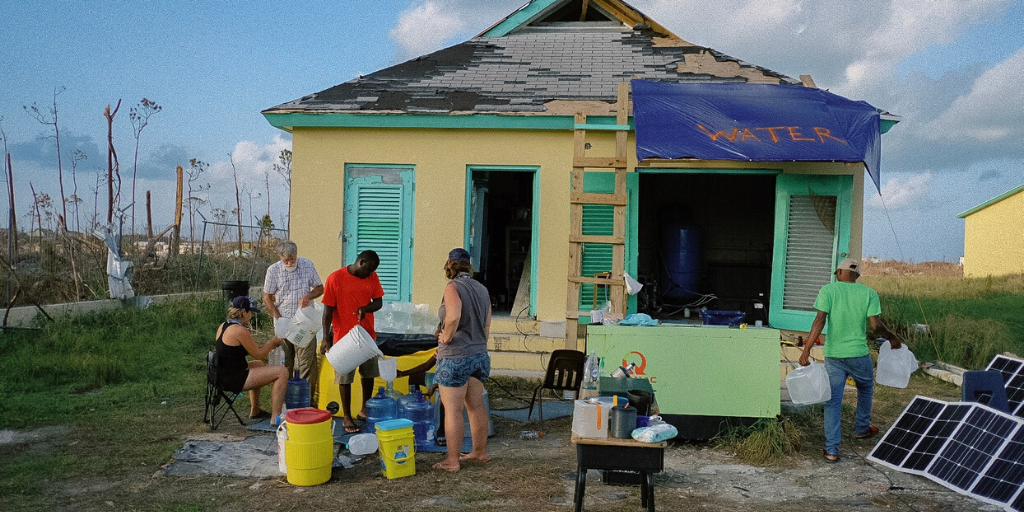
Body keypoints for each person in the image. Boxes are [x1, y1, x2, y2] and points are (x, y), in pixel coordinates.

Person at [799, 258, 901, 463]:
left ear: (839, 273)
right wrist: (891, 336)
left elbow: (819, 320)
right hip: (858, 354)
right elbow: (875, 325)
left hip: (834, 355)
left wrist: (806, 349)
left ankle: (831, 451)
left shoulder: (828, 291)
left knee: (833, 400)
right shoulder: (868, 293)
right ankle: (862, 428)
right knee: (865, 387)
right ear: (856, 275)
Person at [433, 248, 492, 472]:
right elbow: (487, 326)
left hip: (455, 356)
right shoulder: (482, 289)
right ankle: (480, 452)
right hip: (479, 354)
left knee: (453, 410)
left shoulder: (453, 287)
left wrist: (446, 338)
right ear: (469, 266)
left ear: (449, 264)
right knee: (476, 406)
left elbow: (454, 315)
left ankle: (452, 460)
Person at [320, 250, 384, 434]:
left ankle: (365, 409)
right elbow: (327, 312)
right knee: (345, 377)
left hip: (366, 336)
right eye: (369, 270)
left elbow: (378, 302)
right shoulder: (335, 278)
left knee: (369, 374)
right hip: (344, 338)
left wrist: (366, 308)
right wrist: (326, 338)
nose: (371, 274)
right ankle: (347, 416)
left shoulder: (372, 276)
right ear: (361, 262)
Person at [262, 240, 324, 405]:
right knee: (284, 363)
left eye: (292, 259)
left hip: (304, 322)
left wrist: (309, 296)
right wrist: (277, 317)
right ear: (280, 257)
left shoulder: (307, 265)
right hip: (283, 322)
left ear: (297, 255)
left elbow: (320, 288)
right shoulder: (273, 270)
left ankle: (306, 402)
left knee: (307, 363)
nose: (290, 263)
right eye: (286, 260)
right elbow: (267, 297)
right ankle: (285, 401)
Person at [215, 295, 289, 425]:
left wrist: (269, 344)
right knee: (282, 372)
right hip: (234, 379)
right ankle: (276, 417)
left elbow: (253, 352)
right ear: (243, 312)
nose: (252, 315)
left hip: (220, 375)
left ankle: (255, 411)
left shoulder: (224, 326)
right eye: (251, 312)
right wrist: (272, 343)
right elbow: (258, 354)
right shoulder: (240, 330)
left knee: (259, 365)